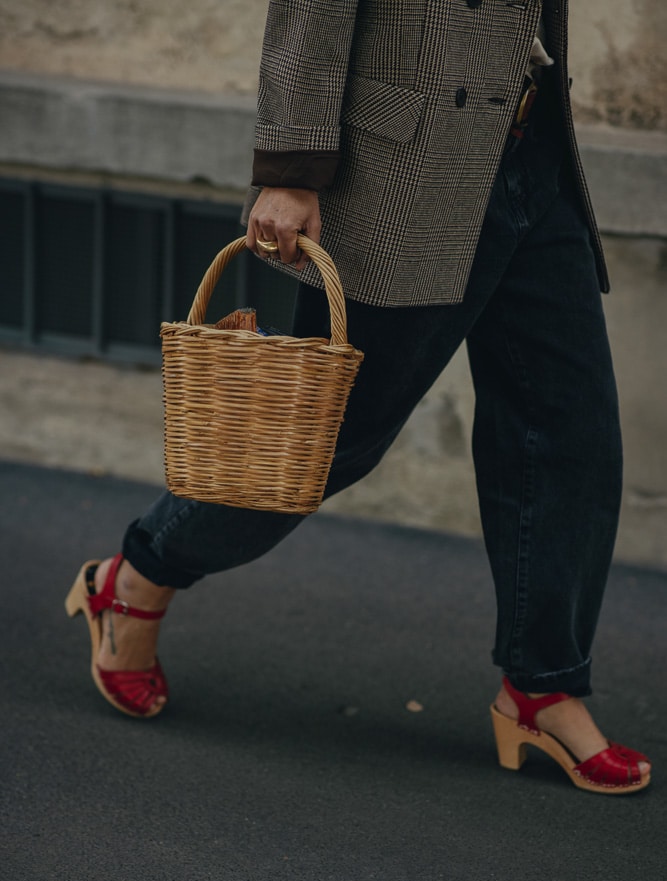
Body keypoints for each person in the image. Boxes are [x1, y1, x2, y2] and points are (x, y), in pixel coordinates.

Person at [65, 0, 651, 794]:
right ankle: (137, 573)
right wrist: (289, 169)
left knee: (569, 433)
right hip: (406, 168)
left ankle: (542, 686)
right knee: (325, 443)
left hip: (531, 153)